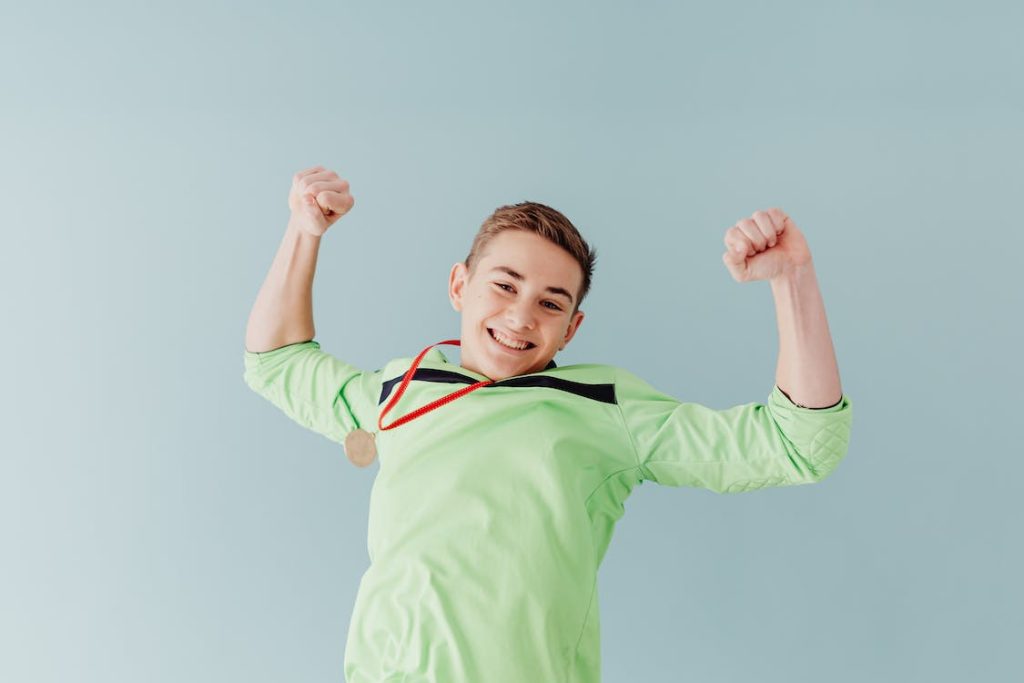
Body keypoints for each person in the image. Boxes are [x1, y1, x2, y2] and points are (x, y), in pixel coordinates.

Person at [243, 165, 853, 683]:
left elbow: (797, 443)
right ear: (460, 285)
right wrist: (304, 230)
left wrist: (792, 279)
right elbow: (276, 363)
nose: (520, 315)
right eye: (504, 285)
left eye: (551, 302)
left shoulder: (602, 406)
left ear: (572, 328)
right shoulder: (400, 389)